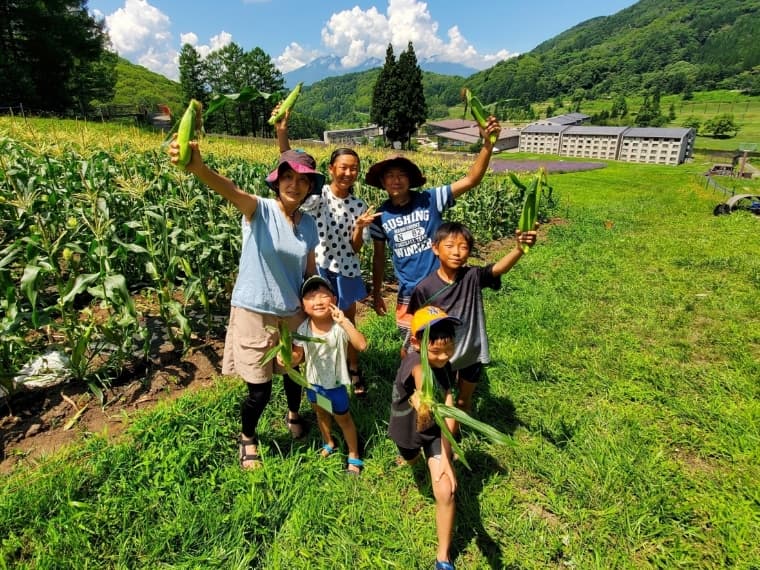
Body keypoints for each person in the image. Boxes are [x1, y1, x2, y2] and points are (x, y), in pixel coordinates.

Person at [168, 136, 324, 470]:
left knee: (294, 373)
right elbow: (230, 189)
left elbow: (310, 271)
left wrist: (318, 303)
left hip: (293, 313)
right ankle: (248, 437)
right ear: (277, 180)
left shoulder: (308, 225)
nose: (294, 185)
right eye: (288, 178)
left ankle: (294, 414)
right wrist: (197, 166)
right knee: (260, 390)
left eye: (302, 180)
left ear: (310, 186)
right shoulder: (259, 210)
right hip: (255, 312)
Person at [367, 116, 502, 354]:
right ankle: (412, 384)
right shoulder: (380, 215)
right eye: (390, 176)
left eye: (401, 175)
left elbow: (471, 180)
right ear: (382, 182)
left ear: (410, 179)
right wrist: (377, 292)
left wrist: (487, 145)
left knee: (445, 343)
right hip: (409, 292)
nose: (396, 180)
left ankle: (447, 383)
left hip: (443, 286)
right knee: (412, 344)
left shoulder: (429, 199)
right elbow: (378, 258)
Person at [274, 106, 378, 398]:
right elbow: (293, 171)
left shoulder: (360, 206)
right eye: (343, 167)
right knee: (317, 322)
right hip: (320, 268)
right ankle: (318, 369)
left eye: (353, 168)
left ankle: (352, 367)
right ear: (331, 169)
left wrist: (358, 227)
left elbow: (356, 248)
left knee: (347, 319)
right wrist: (282, 134)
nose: (348, 172)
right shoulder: (318, 197)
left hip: (346, 270)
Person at [408, 222, 537, 416]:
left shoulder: (472, 276)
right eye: (450, 246)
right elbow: (417, 322)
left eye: (464, 247)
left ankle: (460, 431)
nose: (457, 252)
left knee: (463, 400)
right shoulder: (424, 288)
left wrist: (519, 248)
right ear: (435, 248)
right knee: (445, 401)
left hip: (471, 352)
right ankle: (448, 437)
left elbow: (498, 269)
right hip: (443, 355)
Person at [389, 306, 462, 570]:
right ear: (417, 342)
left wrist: (446, 456)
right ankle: (410, 460)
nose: (443, 357)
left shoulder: (446, 365)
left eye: (448, 349)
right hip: (406, 430)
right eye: (436, 351)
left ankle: (443, 557)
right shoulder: (414, 362)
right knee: (410, 458)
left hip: (433, 431)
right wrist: (423, 394)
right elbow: (421, 377)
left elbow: (450, 402)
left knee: (446, 489)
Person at [282, 275, 367, 475]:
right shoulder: (303, 329)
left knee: (344, 419)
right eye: (310, 297)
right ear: (303, 305)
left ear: (334, 300)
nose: (318, 301)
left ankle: (354, 454)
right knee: (320, 413)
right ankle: (328, 441)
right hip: (313, 384)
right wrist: (285, 357)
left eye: (323, 295)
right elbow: (297, 357)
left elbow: (361, 345)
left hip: (336, 386)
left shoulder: (339, 328)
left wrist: (345, 321)